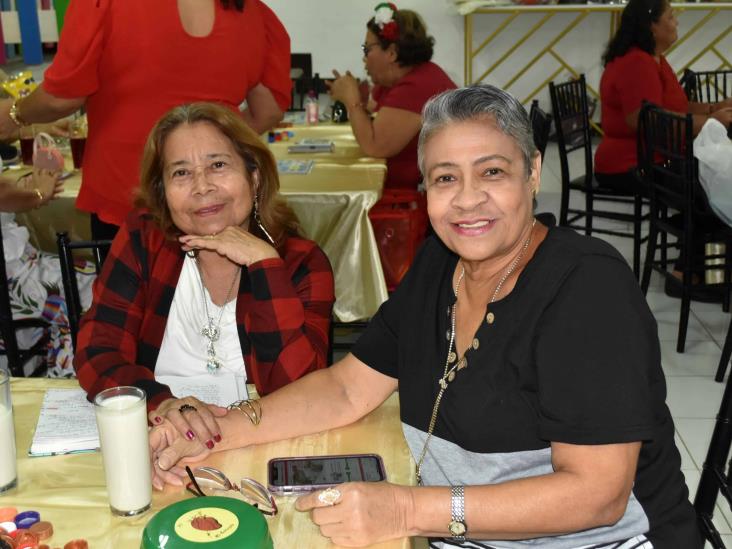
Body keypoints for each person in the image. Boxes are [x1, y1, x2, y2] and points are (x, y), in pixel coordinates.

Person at [150, 86, 699, 548]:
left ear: (532, 172)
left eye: (492, 172)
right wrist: (217, 433)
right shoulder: (442, 263)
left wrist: (409, 511)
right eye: (444, 178)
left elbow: (597, 495)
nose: (467, 200)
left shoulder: (586, 289)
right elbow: (347, 389)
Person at [75, 103, 334, 451]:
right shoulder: (145, 241)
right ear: (163, 192)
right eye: (181, 173)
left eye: (218, 165)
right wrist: (161, 403)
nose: (201, 186)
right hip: (161, 441)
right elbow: (97, 350)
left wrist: (263, 265)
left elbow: (303, 391)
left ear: (253, 177)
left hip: (261, 445)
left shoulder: (299, 262)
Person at [0, 0, 292, 241]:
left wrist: (15, 114)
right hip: (213, 198)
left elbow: (61, 97)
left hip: (126, 190)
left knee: (128, 308)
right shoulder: (251, 11)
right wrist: (211, 146)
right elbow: (267, 111)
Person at [594, 0, 732, 193]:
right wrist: (709, 122)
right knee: (717, 180)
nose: (676, 23)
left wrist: (714, 108)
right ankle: (690, 223)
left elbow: (676, 106)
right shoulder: (637, 63)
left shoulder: (653, 58)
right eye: (671, 17)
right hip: (632, 163)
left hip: (656, 155)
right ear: (652, 26)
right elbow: (647, 122)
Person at [327, 3, 456, 190]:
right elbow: (374, 113)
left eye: (367, 49)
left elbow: (375, 147)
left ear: (392, 53)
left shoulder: (417, 85)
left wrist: (352, 101)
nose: (364, 58)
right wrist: (358, 102)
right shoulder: (398, 81)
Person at [1, 168, 96, 377]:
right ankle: (67, 382)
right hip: (9, 275)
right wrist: (39, 193)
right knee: (89, 287)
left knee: (86, 274)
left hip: (14, 262)